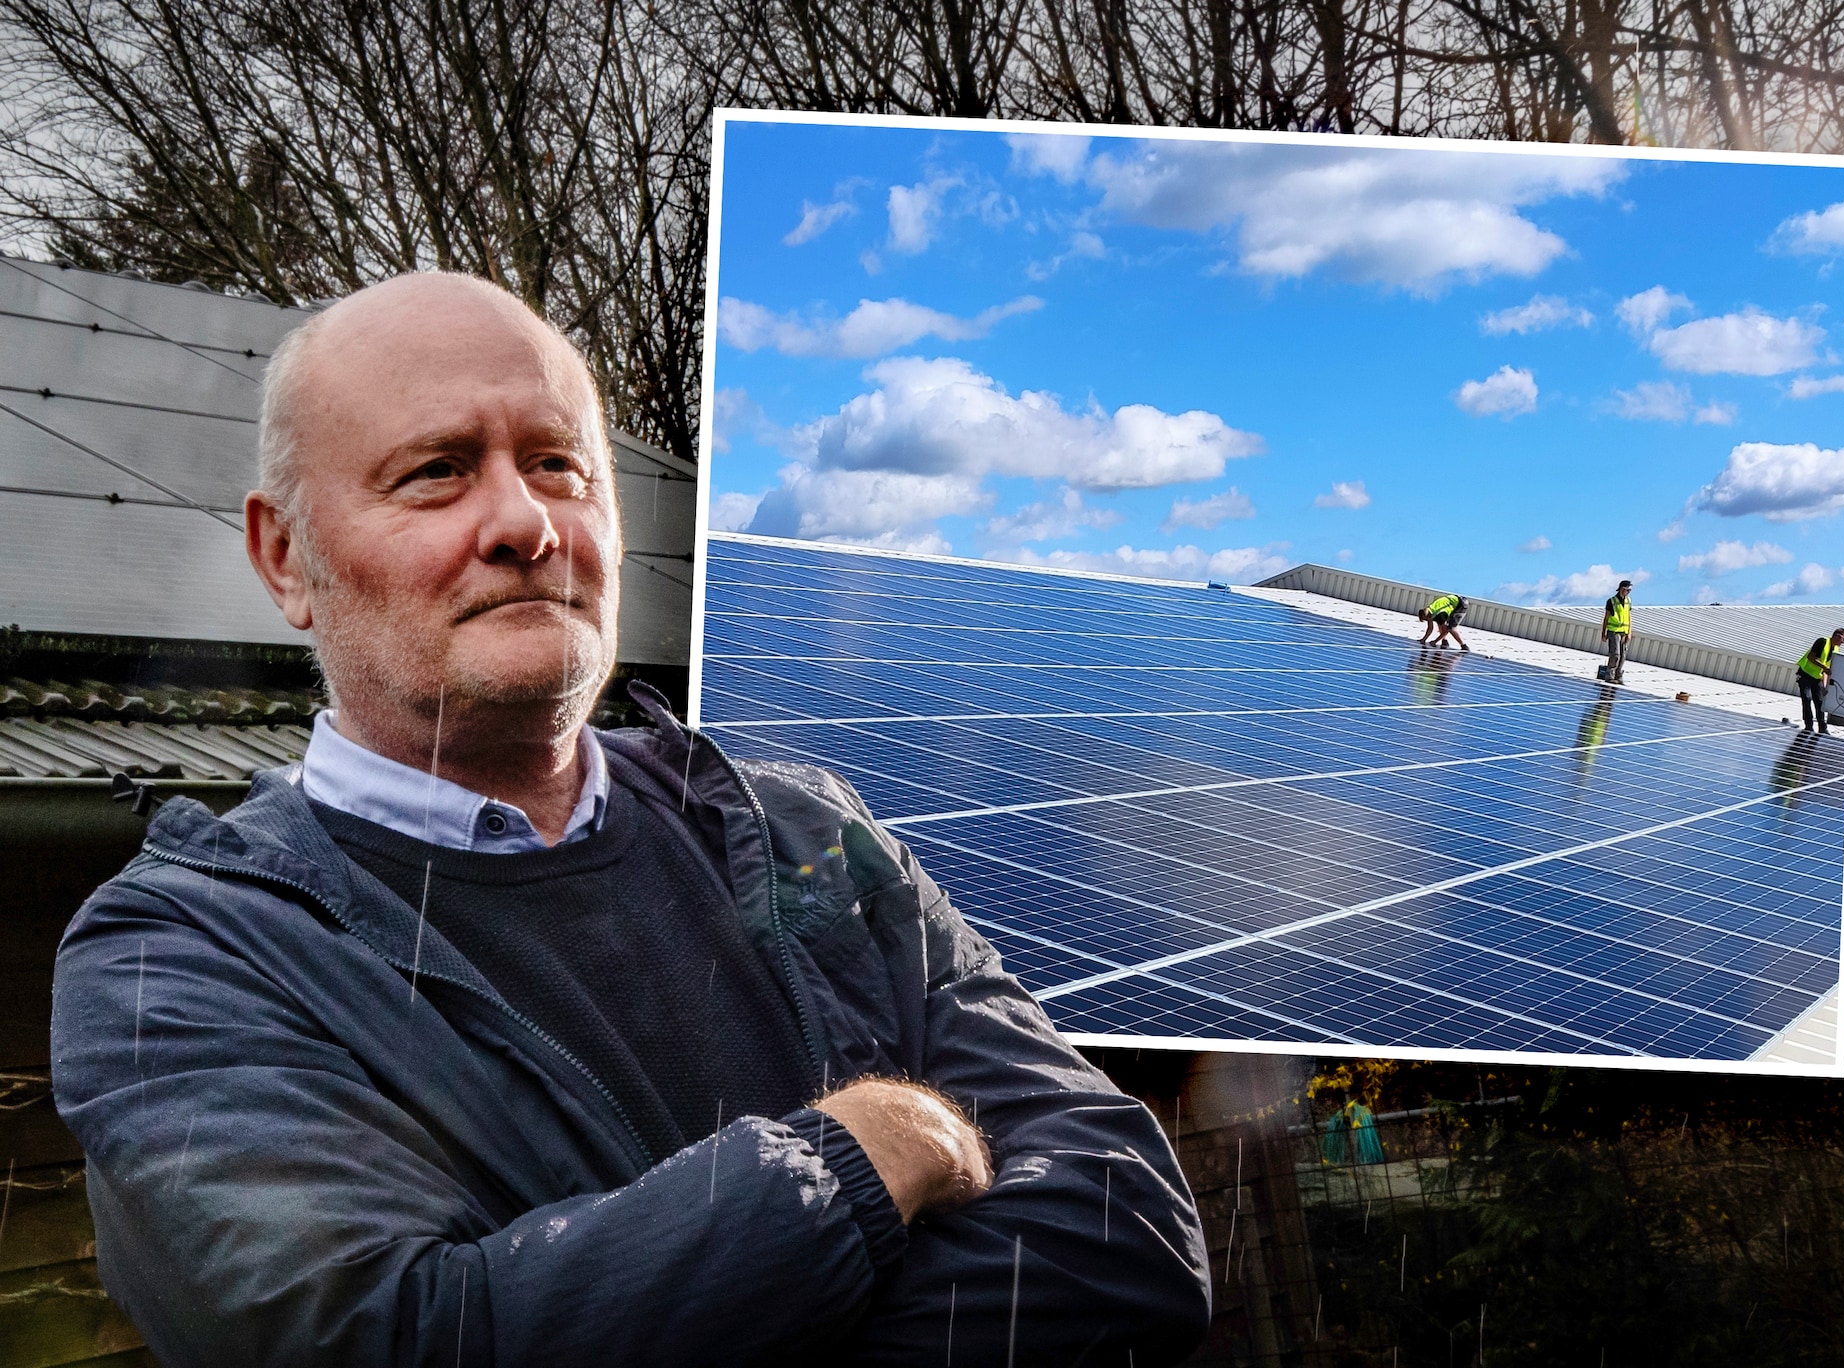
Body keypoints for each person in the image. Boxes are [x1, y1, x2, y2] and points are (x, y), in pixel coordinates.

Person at [49, 274, 1209, 1366]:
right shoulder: (185, 961)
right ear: (285, 557)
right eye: (437, 473)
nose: (525, 524)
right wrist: (867, 1153)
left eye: (558, 466)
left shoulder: (807, 835)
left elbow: (1129, 1233)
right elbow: (389, 1338)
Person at [1797, 627, 1844, 735]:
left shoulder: (1835, 650)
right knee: (1806, 699)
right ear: (1837, 636)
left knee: (1820, 702)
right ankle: (1809, 726)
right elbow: (1811, 657)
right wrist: (1824, 668)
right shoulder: (1822, 641)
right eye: (1843, 640)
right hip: (1805, 674)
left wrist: (1825, 685)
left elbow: (1828, 669)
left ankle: (1822, 728)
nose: (1843, 643)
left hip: (1817, 678)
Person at [1601, 579, 1633, 684]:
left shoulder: (1628, 601)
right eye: (1626, 590)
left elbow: (1629, 616)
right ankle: (1610, 675)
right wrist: (1603, 633)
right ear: (1621, 589)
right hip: (1614, 631)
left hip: (1624, 631)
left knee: (1623, 655)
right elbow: (1606, 617)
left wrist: (1629, 632)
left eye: (1629, 590)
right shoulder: (1612, 601)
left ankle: (1618, 675)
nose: (1628, 592)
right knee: (1615, 654)